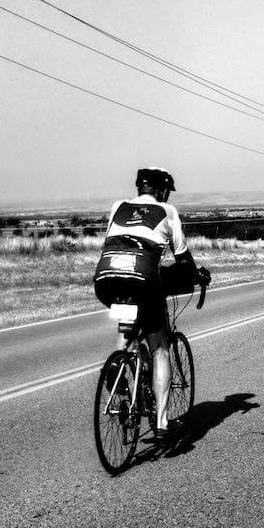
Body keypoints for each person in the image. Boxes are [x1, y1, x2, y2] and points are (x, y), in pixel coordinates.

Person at [95, 167, 197, 436]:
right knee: (160, 348)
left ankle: (118, 363)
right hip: (143, 279)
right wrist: (196, 276)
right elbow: (183, 259)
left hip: (107, 278)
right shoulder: (168, 211)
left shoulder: (118, 206)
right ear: (162, 191)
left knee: (129, 319)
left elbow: (119, 242)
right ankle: (162, 423)